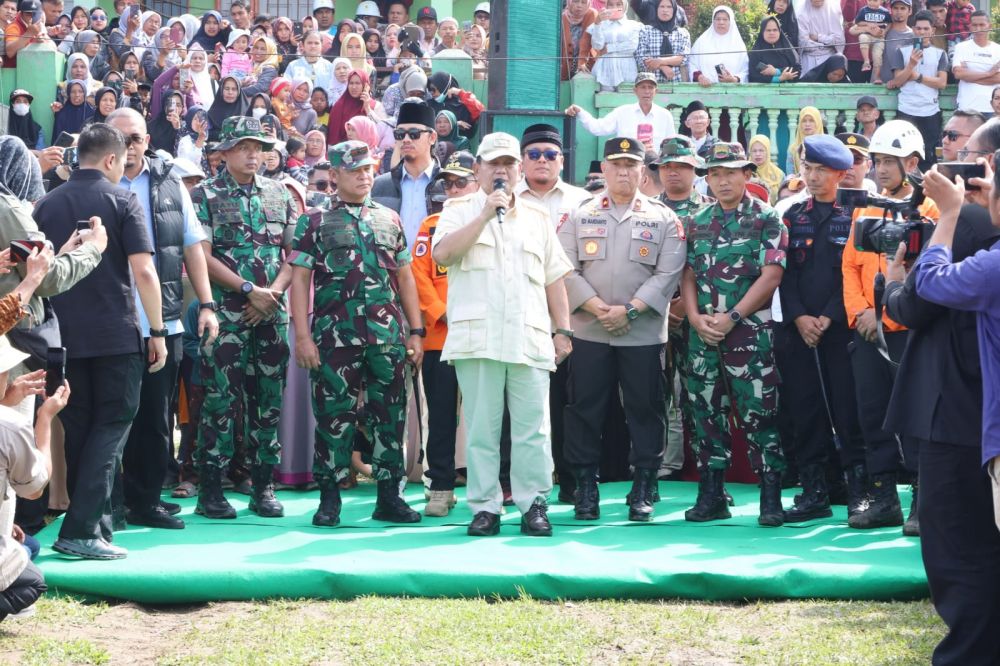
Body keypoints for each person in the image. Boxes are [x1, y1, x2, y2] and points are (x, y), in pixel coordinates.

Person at [886, 118, 1000, 666]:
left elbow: (916, 302)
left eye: (961, 147)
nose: (946, 153)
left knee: (960, 552)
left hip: (956, 408)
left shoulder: (970, 220)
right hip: (973, 407)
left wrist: (892, 279)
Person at [34, 124, 167, 560]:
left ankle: (96, 525)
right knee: (111, 428)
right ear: (112, 159)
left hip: (61, 339)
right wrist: (159, 330)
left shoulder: (46, 203)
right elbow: (145, 272)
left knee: (79, 430)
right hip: (114, 336)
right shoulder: (122, 198)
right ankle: (81, 530)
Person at [432, 132, 573, 538]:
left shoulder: (537, 217)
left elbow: (553, 279)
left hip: (528, 335)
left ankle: (533, 505)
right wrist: (483, 216)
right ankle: (485, 508)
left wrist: (562, 330)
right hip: (478, 338)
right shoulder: (458, 210)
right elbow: (442, 255)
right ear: (477, 169)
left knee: (533, 428)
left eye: (509, 164)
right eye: (493, 164)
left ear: (519, 170)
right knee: (481, 429)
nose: (502, 171)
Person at [289, 140, 423, 527]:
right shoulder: (313, 221)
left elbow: (405, 277)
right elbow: (300, 280)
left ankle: (389, 497)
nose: (365, 176)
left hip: (386, 336)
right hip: (334, 337)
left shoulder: (389, 218)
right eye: (354, 170)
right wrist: (302, 336)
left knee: (390, 416)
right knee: (334, 417)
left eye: (368, 169)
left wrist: (415, 331)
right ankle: (329, 497)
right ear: (334, 175)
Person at [559, 136, 685, 522]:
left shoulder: (663, 217)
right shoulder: (579, 215)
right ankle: (585, 487)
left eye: (632, 165)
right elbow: (563, 268)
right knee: (584, 409)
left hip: (643, 333)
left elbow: (668, 273)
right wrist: (599, 309)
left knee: (645, 408)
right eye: (617, 165)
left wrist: (629, 311)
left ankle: (644, 483)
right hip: (590, 330)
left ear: (642, 171)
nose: (624, 172)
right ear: (605, 169)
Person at [105, 108, 218, 530]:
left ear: (147, 140)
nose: (129, 146)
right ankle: (110, 503)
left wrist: (206, 304)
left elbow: (193, 247)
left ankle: (146, 499)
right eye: (120, 139)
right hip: (112, 319)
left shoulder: (170, 182)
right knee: (115, 416)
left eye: (135, 138)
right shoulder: (96, 183)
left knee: (156, 416)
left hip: (163, 319)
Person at [190, 116, 298, 521]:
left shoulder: (279, 193)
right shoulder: (205, 195)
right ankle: (212, 490)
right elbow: (201, 254)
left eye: (260, 147)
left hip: (271, 313)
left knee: (268, 401)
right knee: (220, 400)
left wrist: (273, 293)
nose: (255, 154)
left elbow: (295, 252)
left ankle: (263, 486)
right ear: (225, 152)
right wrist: (248, 291)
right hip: (227, 314)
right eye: (245, 147)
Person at [681, 142, 788, 527]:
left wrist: (734, 317)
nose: (722, 180)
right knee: (705, 413)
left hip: (749, 333)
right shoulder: (698, 219)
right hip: (703, 334)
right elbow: (689, 273)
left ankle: (770, 496)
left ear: (747, 174)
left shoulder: (767, 218)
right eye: (714, 173)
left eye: (730, 172)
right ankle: (712, 495)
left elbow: (772, 275)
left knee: (760, 414)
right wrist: (694, 317)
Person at [841, 119, 938, 532]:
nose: (879, 169)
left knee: (916, 417)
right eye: (877, 161)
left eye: (888, 161)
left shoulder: (931, 210)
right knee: (872, 414)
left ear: (912, 163)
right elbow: (849, 263)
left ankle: (922, 500)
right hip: (867, 331)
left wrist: (890, 312)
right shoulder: (866, 207)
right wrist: (861, 311)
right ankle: (882, 499)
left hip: (910, 332)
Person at [777, 135, 867, 522]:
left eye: (822, 170)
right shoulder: (792, 214)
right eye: (808, 168)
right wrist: (799, 316)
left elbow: (852, 273)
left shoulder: (856, 216)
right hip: (798, 329)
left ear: (841, 174)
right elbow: (782, 273)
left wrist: (829, 316)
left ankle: (859, 489)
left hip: (842, 326)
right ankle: (813, 490)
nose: (813, 177)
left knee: (848, 408)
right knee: (804, 408)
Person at [411, 151, 479, 516]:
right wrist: (442, 314)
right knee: (440, 415)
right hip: (442, 335)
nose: (453, 189)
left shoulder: (494, 222)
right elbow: (418, 276)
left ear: (478, 183)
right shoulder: (431, 225)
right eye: (448, 183)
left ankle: (490, 485)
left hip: (482, 333)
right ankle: (439, 485)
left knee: (486, 415)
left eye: (461, 182)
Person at [0, 323, 70, 622]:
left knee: (28, 543)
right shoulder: (8, 425)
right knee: (31, 582)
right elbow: (34, 487)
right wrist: (44, 420)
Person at [654, 135, 713, 481]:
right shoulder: (647, 209)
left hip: (698, 316)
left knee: (701, 394)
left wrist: (685, 305)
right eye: (667, 166)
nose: (674, 172)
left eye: (681, 166)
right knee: (656, 394)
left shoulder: (708, 209)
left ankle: (706, 467)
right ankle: (660, 463)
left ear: (695, 170)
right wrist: (663, 306)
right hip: (652, 316)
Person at [372, 101, 440, 251]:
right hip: (391, 271)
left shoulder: (447, 185)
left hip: (433, 272)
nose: (406, 139)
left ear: (432, 137)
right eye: (400, 134)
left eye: (414, 134)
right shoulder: (380, 186)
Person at [888, 10, 949, 172]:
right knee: (904, 154)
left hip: (930, 111)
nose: (921, 32)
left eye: (925, 29)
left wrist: (917, 76)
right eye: (918, 28)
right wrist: (911, 65)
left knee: (928, 157)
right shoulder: (901, 51)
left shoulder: (940, 54)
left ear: (932, 31)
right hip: (906, 109)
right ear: (913, 29)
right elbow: (898, 81)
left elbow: (942, 83)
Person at [565, 73, 676, 154]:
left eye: (650, 87)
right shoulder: (622, 112)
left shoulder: (665, 115)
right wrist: (580, 111)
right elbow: (598, 127)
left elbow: (671, 145)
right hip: (629, 165)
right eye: (643, 87)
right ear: (635, 90)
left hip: (654, 167)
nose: (647, 91)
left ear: (655, 91)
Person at [586, 0, 642, 90]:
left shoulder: (633, 25)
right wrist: (597, 23)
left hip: (626, 67)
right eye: (610, 5)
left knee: (627, 96)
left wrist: (608, 48)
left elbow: (632, 46)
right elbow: (597, 46)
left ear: (624, 6)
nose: (614, 8)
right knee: (604, 98)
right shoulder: (600, 24)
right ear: (606, 7)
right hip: (605, 68)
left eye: (618, 4)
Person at [953, 11, 1000, 116]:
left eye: (982, 25)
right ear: (970, 27)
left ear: (990, 26)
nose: (978, 29)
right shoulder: (961, 47)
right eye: (974, 25)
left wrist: (969, 75)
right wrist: (989, 73)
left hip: (992, 109)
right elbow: (959, 74)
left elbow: (998, 78)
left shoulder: (998, 49)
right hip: (967, 108)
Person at [689, 6, 748, 86]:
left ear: (731, 21)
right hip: (705, 90)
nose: (721, 22)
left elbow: (745, 70)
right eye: (718, 19)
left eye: (725, 19)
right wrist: (700, 77)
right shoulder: (702, 42)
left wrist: (734, 79)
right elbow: (692, 63)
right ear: (713, 21)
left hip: (732, 91)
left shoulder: (738, 45)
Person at [634, 0, 690, 84]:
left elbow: (683, 58)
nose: (665, 10)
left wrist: (659, 61)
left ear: (674, 10)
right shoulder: (646, 30)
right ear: (656, 9)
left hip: (677, 83)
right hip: (651, 85)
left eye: (669, 7)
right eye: (662, 6)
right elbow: (642, 58)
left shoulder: (682, 32)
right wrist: (663, 67)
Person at [748, 15, 800, 84]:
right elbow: (754, 76)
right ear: (762, 32)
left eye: (775, 30)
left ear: (779, 31)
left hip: (789, 92)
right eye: (768, 30)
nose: (772, 33)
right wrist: (778, 79)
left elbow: (797, 70)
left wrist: (776, 71)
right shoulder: (756, 52)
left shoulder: (787, 48)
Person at [797, 0, 843, 74]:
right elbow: (804, 42)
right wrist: (826, 43)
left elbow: (839, 40)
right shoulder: (801, 12)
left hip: (829, 59)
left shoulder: (833, 11)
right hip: (808, 61)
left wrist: (818, 37)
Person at [849, 0, 891, 82]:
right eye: (869, 0)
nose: (871, 2)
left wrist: (885, 32)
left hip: (879, 37)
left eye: (875, 0)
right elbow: (858, 22)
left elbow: (889, 23)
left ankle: (877, 77)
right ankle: (866, 61)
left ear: (881, 1)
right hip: (867, 34)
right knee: (863, 37)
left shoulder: (885, 11)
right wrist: (868, 24)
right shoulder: (864, 10)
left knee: (877, 57)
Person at [877, 0, 913, 89]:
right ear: (891, 10)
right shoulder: (882, 31)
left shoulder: (914, 36)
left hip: (905, 87)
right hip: (879, 85)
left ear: (910, 11)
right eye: (895, 8)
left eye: (903, 8)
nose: (899, 12)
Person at [561, 0, 597, 80]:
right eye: (575, 1)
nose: (579, 5)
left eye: (583, 2)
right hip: (567, 65)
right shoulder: (563, 17)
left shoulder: (592, 14)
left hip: (587, 64)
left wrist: (581, 62)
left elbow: (587, 40)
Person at [4, 0, 45, 69]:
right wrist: (29, 33)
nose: (31, 17)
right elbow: (10, 52)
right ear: (21, 13)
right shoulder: (14, 26)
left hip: (32, 68)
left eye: (35, 14)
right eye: (28, 14)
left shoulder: (39, 24)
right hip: (14, 72)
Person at [787, 106, 826, 176]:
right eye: (804, 121)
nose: (807, 124)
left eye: (811, 120)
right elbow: (790, 175)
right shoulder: (793, 149)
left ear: (818, 123)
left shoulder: (826, 146)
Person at [748, 135, 784, 202]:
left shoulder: (778, 174)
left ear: (767, 151)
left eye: (761, 150)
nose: (758, 154)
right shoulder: (745, 172)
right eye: (754, 151)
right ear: (750, 153)